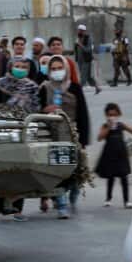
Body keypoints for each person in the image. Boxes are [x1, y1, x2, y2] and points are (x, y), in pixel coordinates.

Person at [37, 55, 91, 219]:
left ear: (66, 69)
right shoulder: (45, 88)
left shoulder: (74, 88)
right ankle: (61, 204)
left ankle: (73, 194)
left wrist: (84, 140)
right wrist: (45, 110)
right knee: (57, 171)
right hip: (51, 135)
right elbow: (36, 110)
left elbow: (82, 114)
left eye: (59, 68)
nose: (56, 71)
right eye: (53, 69)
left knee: (75, 170)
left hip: (73, 134)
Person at [96, 103, 132, 208]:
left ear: (118, 114)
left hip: (121, 153)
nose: (113, 117)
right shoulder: (105, 125)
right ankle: (108, 198)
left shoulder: (121, 125)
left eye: (115, 115)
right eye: (110, 115)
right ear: (107, 115)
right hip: (109, 153)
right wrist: (109, 127)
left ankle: (127, 201)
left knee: (124, 176)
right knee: (110, 177)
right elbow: (99, 138)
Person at [75, 24, 96, 89]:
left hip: (86, 60)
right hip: (79, 60)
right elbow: (76, 49)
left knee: (83, 76)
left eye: (81, 31)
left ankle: (78, 90)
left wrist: (80, 45)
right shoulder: (77, 38)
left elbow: (89, 49)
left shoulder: (88, 39)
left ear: (84, 31)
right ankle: (97, 87)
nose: (79, 32)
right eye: (79, 30)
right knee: (88, 77)